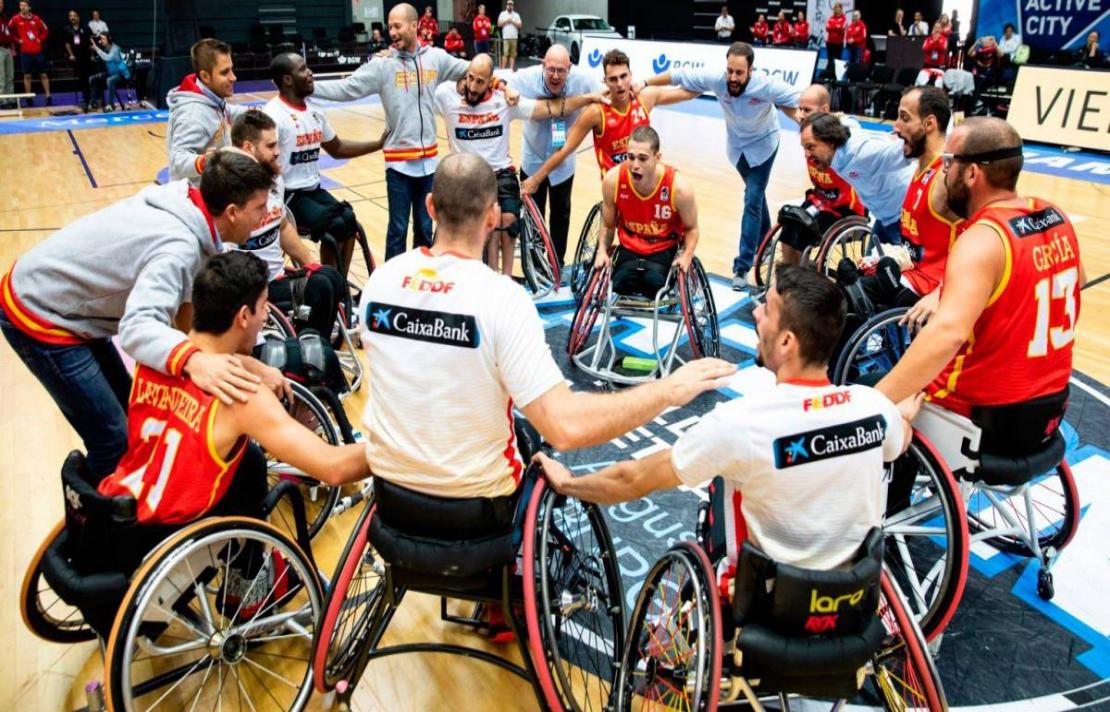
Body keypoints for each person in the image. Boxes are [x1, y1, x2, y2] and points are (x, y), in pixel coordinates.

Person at [357, 151, 735, 501]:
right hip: (478, 507)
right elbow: (564, 428)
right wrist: (668, 390)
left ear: (430, 208)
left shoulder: (381, 281)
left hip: (391, 496)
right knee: (532, 435)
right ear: (493, 216)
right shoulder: (501, 297)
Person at [538, 264, 917, 574]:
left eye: (765, 308)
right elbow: (902, 434)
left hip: (772, 603)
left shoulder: (742, 423)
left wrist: (571, 483)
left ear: (786, 342)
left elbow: (632, 478)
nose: (755, 312)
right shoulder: (874, 408)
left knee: (724, 489)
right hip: (854, 602)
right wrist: (901, 413)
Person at [96, 251, 368, 611]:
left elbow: (208, 358)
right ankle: (249, 593)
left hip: (122, 512)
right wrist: (402, 450)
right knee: (271, 479)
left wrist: (254, 365)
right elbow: (333, 468)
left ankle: (250, 575)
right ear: (243, 316)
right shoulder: (240, 396)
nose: (267, 315)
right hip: (175, 533)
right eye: (263, 306)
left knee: (250, 461)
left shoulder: (160, 354)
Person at [0, 150, 280, 478]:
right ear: (232, 212)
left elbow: (189, 328)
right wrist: (194, 360)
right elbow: (137, 328)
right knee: (113, 440)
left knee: (133, 418)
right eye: (259, 208)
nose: (265, 217)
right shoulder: (178, 248)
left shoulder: (187, 201)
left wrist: (249, 365)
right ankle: (93, 522)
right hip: (39, 312)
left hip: (66, 301)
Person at [877, 117, 1085, 420]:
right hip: (1052, 402)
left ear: (972, 173)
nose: (944, 172)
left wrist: (874, 400)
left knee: (877, 397)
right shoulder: (1056, 216)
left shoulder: (982, 238)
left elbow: (946, 335)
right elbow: (1078, 281)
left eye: (948, 163)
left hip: (982, 410)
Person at [311, 3, 469, 261]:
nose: (391, 32)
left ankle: (420, 280)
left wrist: (494, 82)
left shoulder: (436, 58)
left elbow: (472, 69)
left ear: (414, 26)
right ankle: (391, 285)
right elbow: (347, 88)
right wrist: (310, 87)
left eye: (397, 26)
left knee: (425, 227)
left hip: (429, 162)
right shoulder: (382, 65)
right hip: (398, 164)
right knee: (397, 229)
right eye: (389, 27)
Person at [642, 42, 801, 290]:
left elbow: (796, 103)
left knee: (752, 198)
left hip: (764, 147)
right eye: (730, 71)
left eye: (739, 72)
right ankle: (767, 239)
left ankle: (742, 265)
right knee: (755, 197)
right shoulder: (718, 78)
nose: (733, 77)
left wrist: (805, 120)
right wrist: (644, 83)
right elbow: (678, 75)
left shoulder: (765, 85)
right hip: (738, 150)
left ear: (751, 70)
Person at [434, 53, 602, 275]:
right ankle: (489, 272)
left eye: (480, 82)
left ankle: (510, 275)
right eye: (470, 78)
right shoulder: (447, 95)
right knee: (490, 219)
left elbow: (552, 108)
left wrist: (590, 98)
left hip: (507, 170)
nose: (473, 87)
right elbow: (422, 84)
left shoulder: (503, 101)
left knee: (512, 218)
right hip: (468, 174)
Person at [842, 87, 963, 326]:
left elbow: (982, 240)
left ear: (929, 124)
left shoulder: (946, 178)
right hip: (913, 274)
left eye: (904, 118)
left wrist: (941, 292)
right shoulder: (918, 168)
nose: (896, 126)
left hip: (932, 288)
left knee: (846, 302)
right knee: (849, 284)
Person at [264, 53, 388, 278]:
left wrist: (377, 144)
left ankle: (337, 285)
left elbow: (337, 148)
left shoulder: (314, 110)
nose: (310, 73)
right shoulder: (273, 115)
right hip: (287, 195)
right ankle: (324, 283)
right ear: (287, 80)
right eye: (302, 69)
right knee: (335, 225)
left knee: (348, 219)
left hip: (313, 190)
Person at [231, 109, 347, 337]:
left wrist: (310, 264)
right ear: (248, 148)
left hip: (276, 279)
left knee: (331, 278)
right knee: (320, 287)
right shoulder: (230, 194)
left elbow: (282, 226)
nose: (278, 152)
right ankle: (309, 351)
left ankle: (315, 346)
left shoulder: (274, 180)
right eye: (271, 146)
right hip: (250, 290)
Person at [520, 49, 697, 194]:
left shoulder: (645, 97)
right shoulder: (596, 112)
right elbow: (564, 149)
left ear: (631, 75)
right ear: (605, 82)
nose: (620, 84)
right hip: (617, 190)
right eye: (613, 79)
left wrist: (715, 84)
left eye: (623, 76)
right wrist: (536, 179)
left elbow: (687, 92)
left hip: (647, 184)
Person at [506, 44, 599, 264]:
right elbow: (499, 80)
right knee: (532, 217)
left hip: (563, 163)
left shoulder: (583, 81)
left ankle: (556, 264)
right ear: (542, 66)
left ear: (570, 69)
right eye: (550, 70)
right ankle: (535, 266)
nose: (555, 76)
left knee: (561, 216)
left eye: (561, 70)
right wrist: (507, 89)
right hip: (533, 158)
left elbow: (603, 93)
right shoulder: (527, 78)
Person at [593, 126, 699, 300]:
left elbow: (692, 228)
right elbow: (608, 224)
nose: (635, 165)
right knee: (620, 285)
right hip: (630, 246)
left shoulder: (679, 188)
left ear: (657, 158)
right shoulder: (613, 180)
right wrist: (602, 251)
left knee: (654, 286)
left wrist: (687, 255)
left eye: (643, 159)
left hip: (663, 247)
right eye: (630, 157)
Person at [776, 84, 865, 267]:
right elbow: (790, 110)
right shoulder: (810, 128)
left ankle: (801, 280)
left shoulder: (841, 137)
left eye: (806, 110)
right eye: (800, 108)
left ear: (824, 110)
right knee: (789, 226)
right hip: (820, 199)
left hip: (844, 209)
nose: (800, 114)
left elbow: (853, 127)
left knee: (803, 232)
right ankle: (788, 275)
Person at [800, 112, 912, 245]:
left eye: (811, 147)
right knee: (871, 264)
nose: (807, 155)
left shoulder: (861, 154)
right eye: (805, 148)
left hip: (903, 218)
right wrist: (841, 116)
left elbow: (906, 152)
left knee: (899, 264)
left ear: (829, 141)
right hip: (884, 217)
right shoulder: (838, 142)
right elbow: (849, 120)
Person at [167, 38, 244, 185]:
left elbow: (229, 111)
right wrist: (204, 161)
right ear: (205, 76)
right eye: (225, 72)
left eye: (231, 69)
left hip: (214, 189)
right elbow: (177, 160)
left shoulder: (210, 98)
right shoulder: (193, 114)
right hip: (196, 198)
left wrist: (259, 113)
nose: (233, 77)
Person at [9, 0, 50, 105]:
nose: (22, 7)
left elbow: (45, 30)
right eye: (20, 5)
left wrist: (40, 39)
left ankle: (48, 96)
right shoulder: (15, 19)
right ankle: (28, 97)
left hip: (38, 52)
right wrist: (18, 40)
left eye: (24, 5)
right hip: (25, 52)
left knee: (43, 75)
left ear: (29, 7)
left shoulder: (36, 19)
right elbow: (9, 31)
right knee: (27, 76)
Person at [89, 32, 130, 112]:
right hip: (111, 73)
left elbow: (108, 58)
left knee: (109, 80)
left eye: (103, 38)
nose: (101, 40)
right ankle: (94, 102)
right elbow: (100, 57)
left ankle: (111, 105)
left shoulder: (115, 48)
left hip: (121, 74)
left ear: (109, 39)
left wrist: (96, 49)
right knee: (94, 78)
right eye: (101, 39)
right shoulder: (105, 48)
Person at [63, 10, 93, 110]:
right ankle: (85, 99)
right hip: (76, 58)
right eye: (70, 16)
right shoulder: (67, 29)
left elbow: (90, 41)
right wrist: (71, 55)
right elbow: (67, 43)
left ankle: (91, 99)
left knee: (88, 78)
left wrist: (92, 52)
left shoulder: (85, 27)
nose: (72, 18)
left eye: (74, 16)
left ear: (78, 17)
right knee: (82, 79)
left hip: (86, 57)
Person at [823, 3, 847, 78]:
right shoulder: (830, 18)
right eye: (835, 7)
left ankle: (837, 77)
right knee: (830, 60)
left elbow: (841, 28)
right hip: (830, 43)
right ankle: (828, 76)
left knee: (838, 61)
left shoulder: (844, 19)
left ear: (841, 9)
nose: (836, 9)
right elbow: (827, 28)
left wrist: (833, 27)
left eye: (837, 7)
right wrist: (836, 27)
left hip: (838, 43)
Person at [497, 0, 522, 71]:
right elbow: (499, 24)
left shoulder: (516, 15)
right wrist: (507, 21)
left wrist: (512, 21)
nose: (509, 6)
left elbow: (520, 25)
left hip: (514, 37)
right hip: (506, 37)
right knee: (505, 54)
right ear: (506, 6)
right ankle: (502, 69)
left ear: (513, 6)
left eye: (511, 5)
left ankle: (511, 69)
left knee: (513, 54)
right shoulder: (502, 14)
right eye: (508, 5)